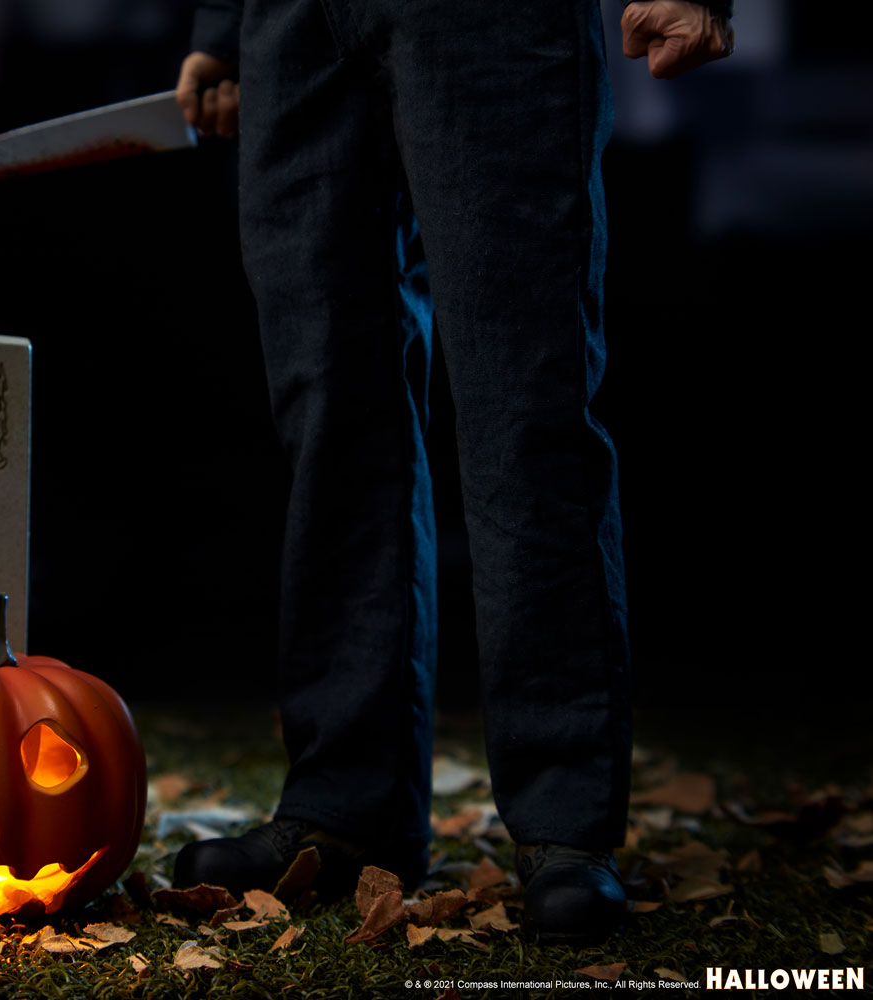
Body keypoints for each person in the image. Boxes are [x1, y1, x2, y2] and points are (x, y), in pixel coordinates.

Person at [170, 0, 733, 944]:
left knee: (526, 400)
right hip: (293, 21)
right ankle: (347, 804)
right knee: (329, 412)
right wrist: (226, 27)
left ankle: (563, 826)